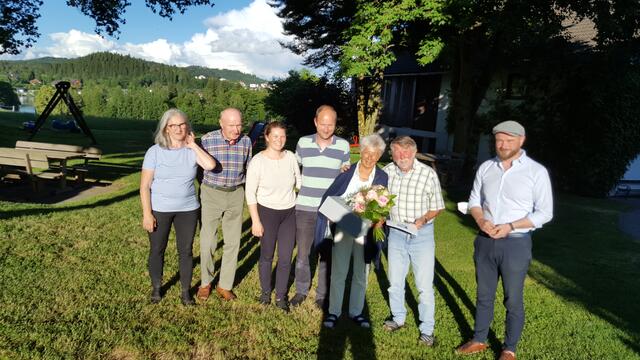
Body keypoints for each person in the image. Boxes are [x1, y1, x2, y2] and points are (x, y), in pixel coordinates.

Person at [456, 120, 553, 360]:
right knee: (484, 295)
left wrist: (510, 226)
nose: (503, 145)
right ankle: (479, 339)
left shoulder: (536, 172)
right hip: (485, 240)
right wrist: (481, 221)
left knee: (513, 298)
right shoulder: (486, 167)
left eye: (509, 140)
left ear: (521, 140)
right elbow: (474, 202)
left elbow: (545, 213)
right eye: (499, 140)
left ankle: (509, 349)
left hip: (515, 243)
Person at [140, 109, 216, 306]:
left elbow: (209, 165)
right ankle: (157, 288)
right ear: (166, 128)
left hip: (188, 209)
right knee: (157, 249)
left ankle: (185, 292)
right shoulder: (154, 152)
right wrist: (147, 214)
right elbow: (145, 185)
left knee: (186, 251)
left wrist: (193, 145)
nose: (179, 129)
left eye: (182, 124)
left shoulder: (192, 150)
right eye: (174, 125)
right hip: (160, 209)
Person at [315, 134, 388, 328]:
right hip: (345, 227)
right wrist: (333, 214)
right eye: (367, 153)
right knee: (339, 272)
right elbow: (328, 198)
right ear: (361, 152)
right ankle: (334, 312)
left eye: (375, 154)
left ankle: (356, 312)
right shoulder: (346, 173)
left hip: (366, 231)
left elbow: (384, 204)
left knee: (360, 273)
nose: (370, 158)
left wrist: (381, 219)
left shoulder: (382, 176)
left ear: (379, 156)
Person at [381, 136, 445, 346]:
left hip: (422, 234)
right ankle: (398, 318)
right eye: (398, 152)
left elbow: (438, 207)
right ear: (392, 153)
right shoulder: (388, 171)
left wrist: (424, 218)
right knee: (395, 281)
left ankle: (427, 329)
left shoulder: (428, 174)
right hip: (396, 232)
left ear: (414, 152)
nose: (402, 156)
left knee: (424, 285)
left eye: (407, 152)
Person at [290, 105, 351, 309]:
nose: (326, 128)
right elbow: (294, 169)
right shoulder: (303, 143)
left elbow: (345, 176)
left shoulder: (343, 146)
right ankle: (301, 290)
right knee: (303, 253)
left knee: (326, 253)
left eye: (331, 124)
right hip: (305, 205)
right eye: (322, 124)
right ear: (315, 122)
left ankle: (322, 294)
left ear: (335, 124)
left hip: (331, 208)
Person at [197, 108, 252, 301]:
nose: (236, 129)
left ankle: (225, 285)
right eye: (231, 125)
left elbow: (248, 168)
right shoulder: (207, 140)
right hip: (211, 193)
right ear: (221, 123)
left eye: (239, 124)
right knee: (208, 241)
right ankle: (205, 282)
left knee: (233, 241)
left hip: (236, 194)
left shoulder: (246, 142)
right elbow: (197, 168)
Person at [245, 121, 301, 312]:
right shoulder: (258, 162)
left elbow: (299, 183)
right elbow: (250, 193)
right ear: (267, 137)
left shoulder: (291, 157)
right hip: (266, 212)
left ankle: (280, 296)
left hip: (289, 213)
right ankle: (266, 293)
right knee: (267, 255)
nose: (279, 140)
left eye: (282, 136)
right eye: (275, 136)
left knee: (285, 257)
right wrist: (255, 220)